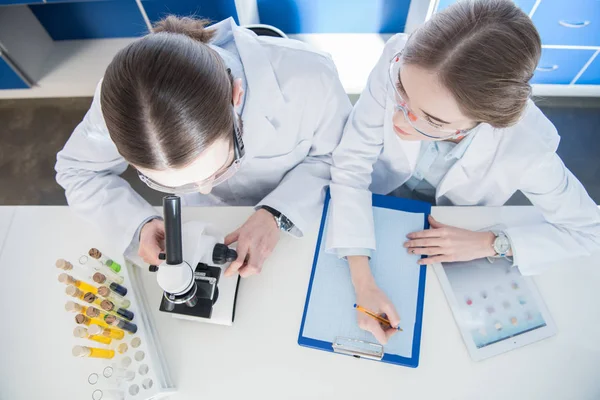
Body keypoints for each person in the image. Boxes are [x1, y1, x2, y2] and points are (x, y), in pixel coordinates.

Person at [327, 0, 600, 345]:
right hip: (378, 197)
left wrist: (491, 242)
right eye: (401, 94)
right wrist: (363, 280)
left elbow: (589, 230)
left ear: (486, 121)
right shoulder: (402, 58)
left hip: (454, 224)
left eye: (433, 120)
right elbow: (352, 161)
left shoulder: (527, 146)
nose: (397, 120)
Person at [56, 16, 351, 277]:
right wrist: (138, 224)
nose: (205, 190)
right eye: (179, 185)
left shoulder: (310, 78)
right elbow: (78, 171)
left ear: (236, 98)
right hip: (201, 228)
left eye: (221, 167)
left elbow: (335, 158)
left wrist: (278, 214)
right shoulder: (122, 105)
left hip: (300, 225)